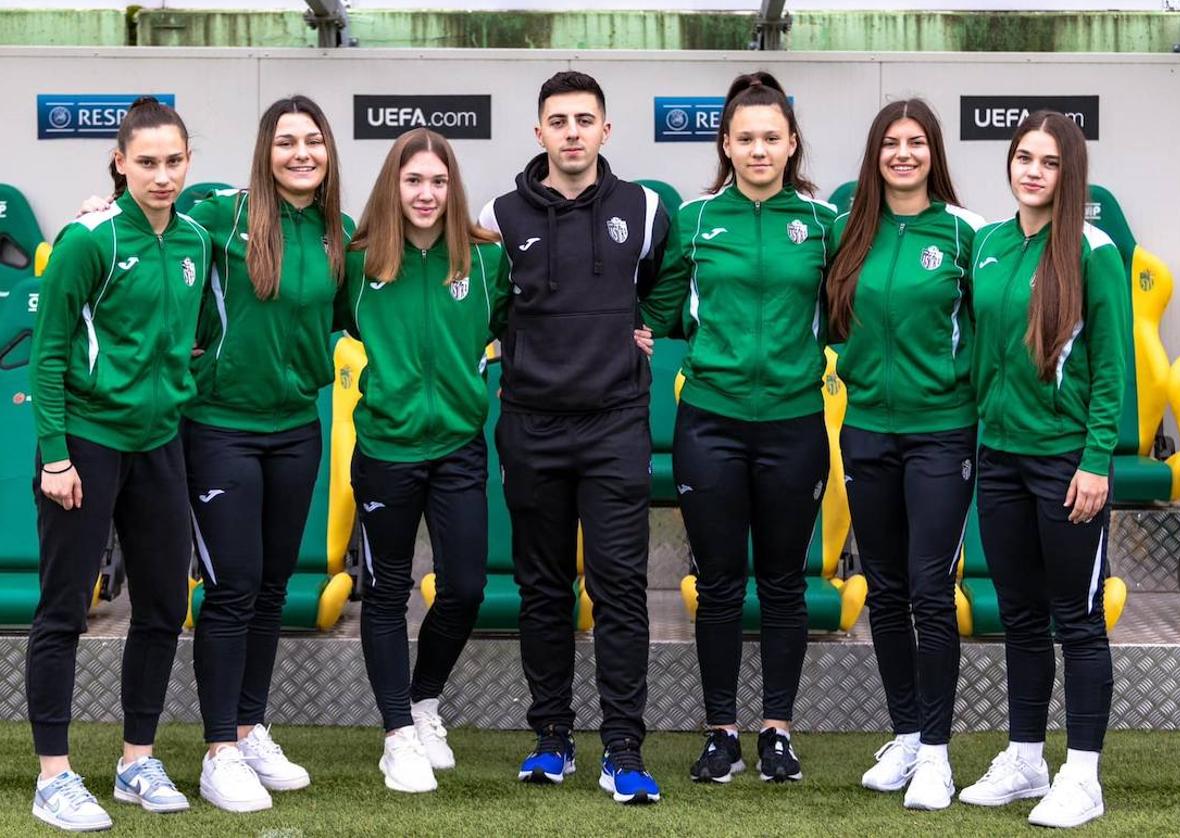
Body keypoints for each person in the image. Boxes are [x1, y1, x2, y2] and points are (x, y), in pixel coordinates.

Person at [478, 70, 677, 805]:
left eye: (583, 120)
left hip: (616, 423)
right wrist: (521, 348)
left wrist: (640, 331)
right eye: (557, 120)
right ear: (538, 133)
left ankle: (623, 749)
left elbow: (670, 274)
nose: (571, 132)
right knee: (542, 588)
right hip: (531, 423)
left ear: (605, 130)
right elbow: (490, 305)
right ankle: (551, 739)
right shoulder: (500, 215)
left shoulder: (645, 208)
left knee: (621, 590)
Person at [642, 71, 835, 785]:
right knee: (719, 583)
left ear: (791, 144)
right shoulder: (694, 220)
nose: (759, 150)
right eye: (745, 138)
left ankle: (777, 732)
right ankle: (721, 731)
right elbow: (658, 310)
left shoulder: (822, 225)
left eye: (771, 138)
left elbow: (849, 312)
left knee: (783, 583)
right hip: (711, 424)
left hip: (794, 424)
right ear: (725, 143)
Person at [26, 96, 210, 832]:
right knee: (64, 609)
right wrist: (54, 457)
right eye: (147, 163)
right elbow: (45, 354)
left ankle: (136, 761)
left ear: (187, 161)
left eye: (173, 162)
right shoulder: (87, 239)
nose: (161, 176)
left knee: (165, 605)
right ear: (119, 161)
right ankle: (53, 777)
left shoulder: (196, 238)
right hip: (88, 445)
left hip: (160, 445)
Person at [182, 96, 353, 812]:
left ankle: (250, 728)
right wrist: (100, 207)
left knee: (273, 587)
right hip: (219, 425)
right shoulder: (223, 216)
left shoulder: (337, 234)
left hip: (296, 428)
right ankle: (218, 750)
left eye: (313, 141)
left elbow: (375, 303)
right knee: (232, 586)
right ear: (266, 150)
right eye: (286, 142)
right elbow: (153, 229)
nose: (301, 153)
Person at [958, 111, 1126, 829]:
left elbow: (1113, 370)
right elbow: (972, 350)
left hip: (1065, 462)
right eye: (1024, 157)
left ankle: (1082, 776)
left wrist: (1095, 463)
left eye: (1049, 162)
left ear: (1069, 172)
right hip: (998, 459)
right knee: (1021, 618)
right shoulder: (990, 244)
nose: (1032, 171)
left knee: (1078, 621)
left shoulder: (1092, 251)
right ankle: (1026, 758)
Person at [340, 127, 510, 794]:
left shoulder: (487, 263)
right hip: (385, 449)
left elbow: (529, 323)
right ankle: (395, 735)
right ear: (394, 184)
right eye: (414, 180)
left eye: (438, 182)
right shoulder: (355, 263)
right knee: (386, 593)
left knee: (465, 586)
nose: (426, 193)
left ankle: (422, 702)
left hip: (459, 445)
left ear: (452, 188)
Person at [825, 99, 984, 809]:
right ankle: (910, 738)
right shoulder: (847, 232)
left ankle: (940, 757)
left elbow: (990, 325)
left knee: (928, 588)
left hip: (941, 431)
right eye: (890, 143)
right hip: (866, 429)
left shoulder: (963, 234)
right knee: (885, 590)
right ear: (875, 154)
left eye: (915, 143)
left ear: (934, 153)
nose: (902, 154)